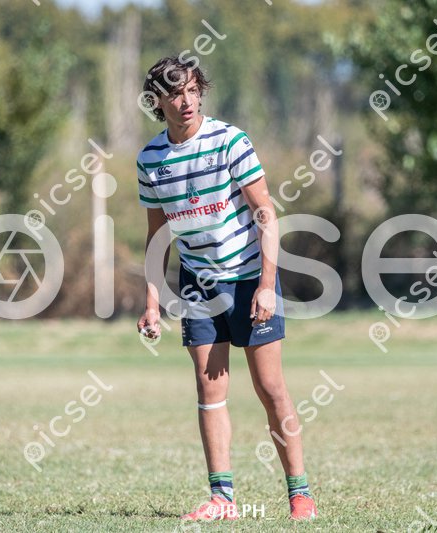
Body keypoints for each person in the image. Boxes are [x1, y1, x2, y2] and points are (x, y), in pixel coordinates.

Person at [135, 56, 318, 522]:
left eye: (193, 90)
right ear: (157, 101)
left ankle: (300, 495)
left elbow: (266, 214)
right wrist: (152, 303)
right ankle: (222, 499)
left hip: (249, 276)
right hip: (198, 284)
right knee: (208, 388)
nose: (186, 101)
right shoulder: (150, 159)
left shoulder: (230, 141)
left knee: (270, 387)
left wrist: (267, 285)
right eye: (175, 94)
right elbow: (157, 236)